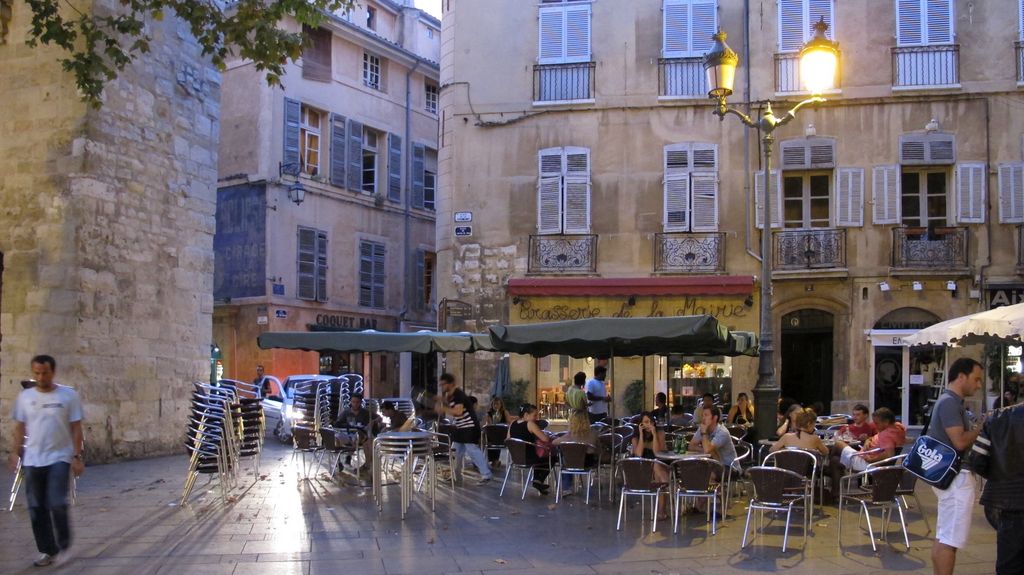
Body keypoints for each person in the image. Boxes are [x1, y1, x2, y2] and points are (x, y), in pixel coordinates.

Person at [8, 355, 84, 567]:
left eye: (45, 373)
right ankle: (48, 550)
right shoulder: (25, 397)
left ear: (53, 372)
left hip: (59, 456)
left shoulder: (68, 396)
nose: (41, 377)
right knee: (35, 506)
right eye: (37, 373)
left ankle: (64, 544)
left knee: (57, 502)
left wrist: (77, 457)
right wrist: (15, 452)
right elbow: (20, 427)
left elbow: (76, 428)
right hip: (33, 459)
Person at [929, 357, 985, 575]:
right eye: (976, 379)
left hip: (949, 477)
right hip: (956, 478)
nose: (979, 385)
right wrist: (980, 428)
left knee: (944, 535)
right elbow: (960, 441)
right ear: (961, 376)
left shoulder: (949, 402)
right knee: (949, 540)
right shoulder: (950, 403)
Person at [974, 401, 1024, 574]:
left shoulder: (996, 418)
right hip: (1007, 500)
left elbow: (976, 460)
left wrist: (1000, 477)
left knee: (1008, 565)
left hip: (1005, 502)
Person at [436, 373, 493, 485]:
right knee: (455, 453)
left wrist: (443, 409)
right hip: (461, 428)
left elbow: (458, 412)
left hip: (469, 427)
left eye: (443, 384)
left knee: (473, 451)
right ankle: (456, 476)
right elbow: (447, 402)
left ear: (451, 384)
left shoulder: (458, 395)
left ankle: (487, 475)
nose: (442, 387)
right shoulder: (451, 396)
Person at [507, 403, 552, 495]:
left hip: (516, 459)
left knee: (540, 458)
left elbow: (508, 439)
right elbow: (545, 439)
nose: (536, 418)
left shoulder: (512, 424)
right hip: (529, 458)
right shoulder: (530, 424)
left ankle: (537, 481)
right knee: (551, 457)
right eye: (534, 415)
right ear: (526, 415)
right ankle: (538, 480)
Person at [631, 412, 669, 518]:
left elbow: (657, 453)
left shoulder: (659, 433)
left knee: (657, 470)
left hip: (659, 464)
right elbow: (638, 454)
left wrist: (654, 435)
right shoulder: (636, 437)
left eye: (651, 422)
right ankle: (668, 485)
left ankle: (661, 511)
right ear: (641, 424)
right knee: (658, 472)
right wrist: (642, 435)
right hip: (643, 467)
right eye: (646, 422)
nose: (649, 424)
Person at [332, 392, 379, 473]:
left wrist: (373, 422)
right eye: (353, 402)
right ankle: (338, 461)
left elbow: (379, 418)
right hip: (348, 434)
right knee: (336, 437)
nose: (355, 404)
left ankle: (359, 461)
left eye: (357, 402)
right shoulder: (346, 413)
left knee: (362, 437)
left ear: (360, 402)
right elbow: (337, 423)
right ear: (351, 402)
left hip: (361, 437)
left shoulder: (365, 413)